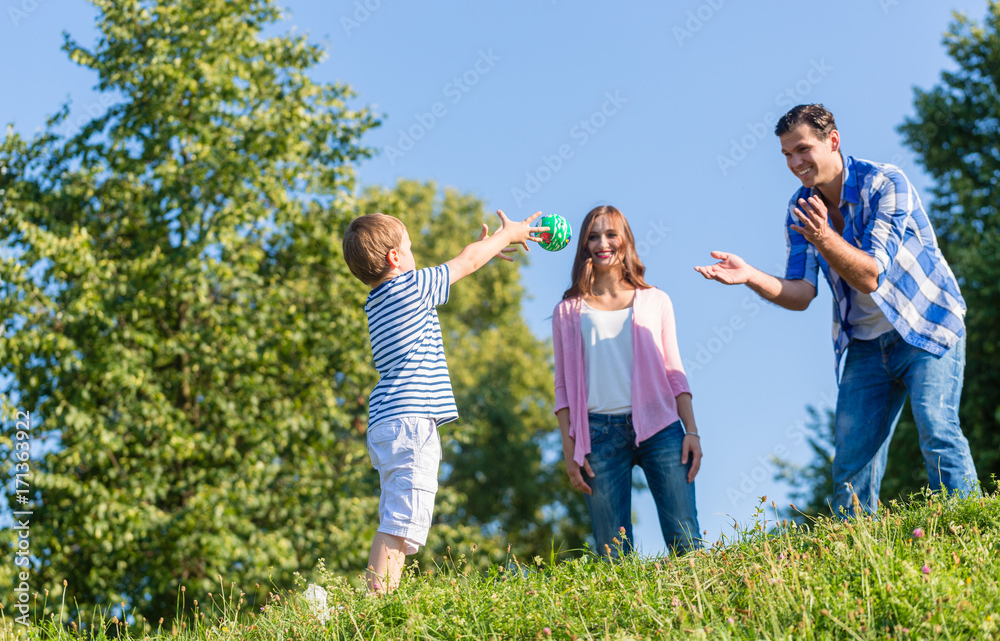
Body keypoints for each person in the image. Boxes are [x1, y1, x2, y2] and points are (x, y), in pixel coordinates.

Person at [694, 103, 978, 514]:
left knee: (937, 429)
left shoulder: (884, 183)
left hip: (925, 324)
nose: (795, 163)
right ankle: (855, 553)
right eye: (787, 155)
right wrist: (750, 275)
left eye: (803, 149)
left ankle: (968, 526)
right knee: (850, 463)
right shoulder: (800, 208)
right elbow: (801, 293)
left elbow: (870, 276)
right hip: (864, 344)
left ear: (833, 141)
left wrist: (825, 238)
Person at [342, 209, 546, 592]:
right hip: (410, 421)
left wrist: (487, 248)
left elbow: (471, 258)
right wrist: (506, 235)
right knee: (401, 521)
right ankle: (375, 604)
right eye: (410, 247)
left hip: (388, 421)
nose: (415, 255)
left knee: (400, 516)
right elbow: (466, 261)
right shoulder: (411, 288)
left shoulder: (377, 303)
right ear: (395, 258)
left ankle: (381, 597)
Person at [552, 205, 702, 558]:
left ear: (625, 241)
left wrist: (691, 431)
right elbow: (562, 388)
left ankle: (699, 609)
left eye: (610, 234)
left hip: (662, 428)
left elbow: (674, 371)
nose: (602, 243)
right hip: (598, 437)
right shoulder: (569, 310)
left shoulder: (655, 300)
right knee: (612, 554)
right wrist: (569, 448)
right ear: (584, 246)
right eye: (592, 236)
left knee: (686, 541)